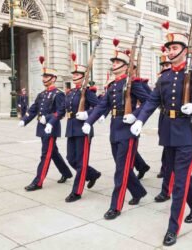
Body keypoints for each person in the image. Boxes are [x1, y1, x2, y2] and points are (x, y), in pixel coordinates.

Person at [130, 32, 192, 246]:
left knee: (179, 182)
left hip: (188, 133)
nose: (169, 52)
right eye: (167, 48)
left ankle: (173, 228)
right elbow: (151, 102)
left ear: (184, 51)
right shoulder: (165, 77)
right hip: (169, 132)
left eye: (173, 48)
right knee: (182, 176)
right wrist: (140, 120)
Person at [82, 43, 149, 220]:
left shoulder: (133, 84)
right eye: (113, 62)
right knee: (123, 167)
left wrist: (136, 116)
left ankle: (116, 206)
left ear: (126, 66)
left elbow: (150, 102)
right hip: (115, 129)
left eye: (117, 62)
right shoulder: (113, 86)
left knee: (120, 170)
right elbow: (102, 106)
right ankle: (139, 191)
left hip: (128, 131)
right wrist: (90, 121)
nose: (113, 64)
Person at [19, 66, 73, 192]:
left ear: (53, 79)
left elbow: (60, 112)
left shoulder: (58, 94)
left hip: (51, 128)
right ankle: (66, 173)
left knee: (45, 155)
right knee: (53, 152)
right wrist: (24, 120)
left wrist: (48, 119)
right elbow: (33, 109)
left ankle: (38, 182)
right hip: (42, 127)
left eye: (46, 77)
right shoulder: (42, 94)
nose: (44, 79)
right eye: (43, 77)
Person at [64, 58, 101, 202]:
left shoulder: (87, 91)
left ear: (83, 76)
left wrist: (87, 115)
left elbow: (98, 107)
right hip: (71, 128)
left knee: (81, 161)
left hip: (83, 129)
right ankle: (92, 174)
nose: (74, 76)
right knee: (70, 159)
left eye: (77, 74)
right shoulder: (71, 92)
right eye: (73, 74)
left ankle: (77, 191)